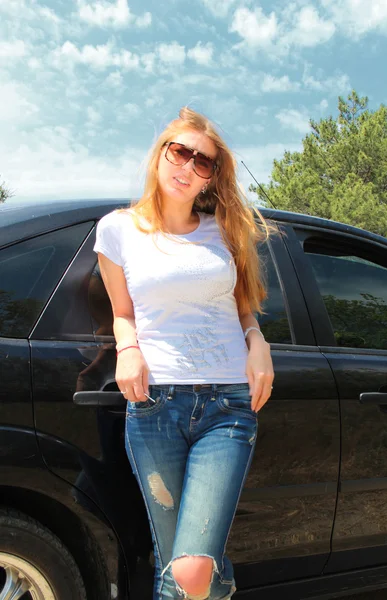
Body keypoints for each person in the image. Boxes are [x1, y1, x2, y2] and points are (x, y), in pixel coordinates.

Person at [94, 107, 275, 600]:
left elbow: (244, 307)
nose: (189, 167)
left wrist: (257, 342)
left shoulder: (224, 230)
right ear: (160, 155)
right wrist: (127, 349)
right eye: (181, 152)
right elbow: (122, 311)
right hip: (155, 405)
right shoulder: (118, 230)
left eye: (204, 162)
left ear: (212, 178)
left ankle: (215, 583)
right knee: (177, 564)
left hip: (228, 406)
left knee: (191, 569)